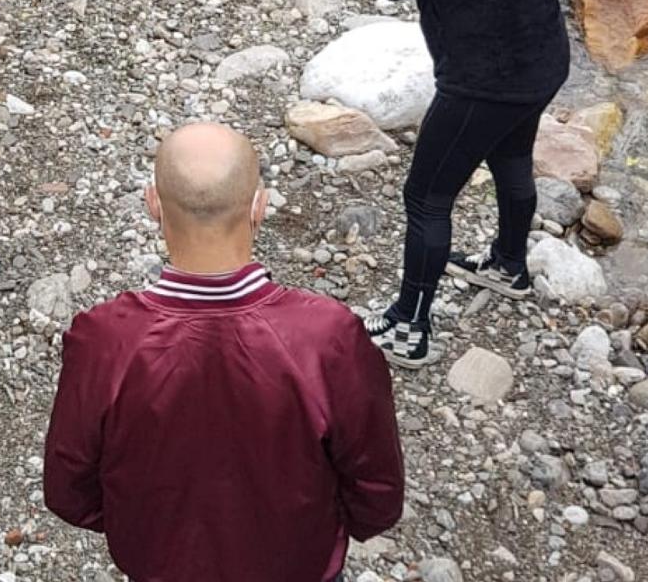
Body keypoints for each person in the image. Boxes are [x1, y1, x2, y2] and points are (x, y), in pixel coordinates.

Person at [43, 123, 404, 582]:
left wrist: (140, 532)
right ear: (260, 206)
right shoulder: (328, 337)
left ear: (153, 203)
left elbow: (68, 489)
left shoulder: (105, 340)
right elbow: (377, 490)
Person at [363, 0, 571, 370]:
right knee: (510, 160)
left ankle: (409, 326)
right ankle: (509, 265)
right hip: (543, 56)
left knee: (427, 196)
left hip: (486, 74)